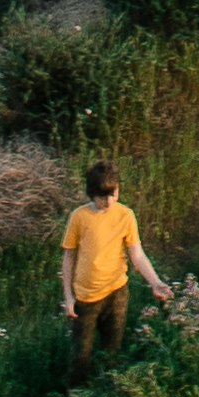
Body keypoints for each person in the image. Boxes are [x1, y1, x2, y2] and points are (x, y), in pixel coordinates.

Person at [61, 160, 169, 373]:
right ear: (92, 194)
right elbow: (68, 257)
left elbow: (137, 255)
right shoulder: (79, 217)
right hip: (86, 299)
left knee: (112, 353)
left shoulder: (126, 215)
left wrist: (155, 282)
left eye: (113, 194)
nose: (109, 201)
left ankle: (108, 395)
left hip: (117, 293)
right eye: (103, 196)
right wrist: (68, 297)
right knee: (80, 358)